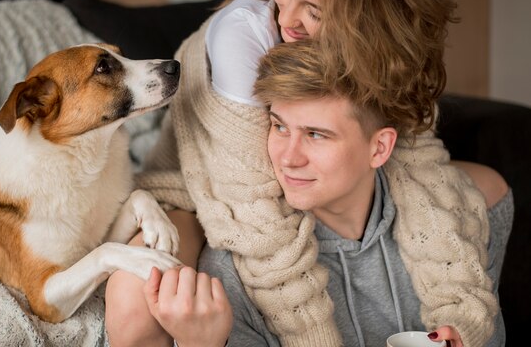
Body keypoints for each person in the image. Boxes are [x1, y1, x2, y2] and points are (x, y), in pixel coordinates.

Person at [105, 0, 509, 345]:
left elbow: (414, 145)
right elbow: (252, 206)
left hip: (295, 176)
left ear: (371, 17)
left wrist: (462, 315)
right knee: (135, 298)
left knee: (482, 189)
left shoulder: (389, 43)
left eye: (314, 10)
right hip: (203, 183)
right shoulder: (241, 37)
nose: (286, 20)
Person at [142, 40, 511, 347]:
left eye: (316, 134)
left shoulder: (453, 222)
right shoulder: (234, 273)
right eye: (280, 127)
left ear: (379, 148)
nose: (287, 158)